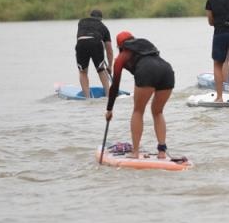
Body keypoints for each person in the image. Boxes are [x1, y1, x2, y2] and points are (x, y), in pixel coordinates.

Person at [104, 31, 178, 161]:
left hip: (146, 70)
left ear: (120, 46)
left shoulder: (121, 57)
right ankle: (162, 152)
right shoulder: (145, 46)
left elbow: (115, 86)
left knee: (138, 111)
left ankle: (135, 152)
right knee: (158, 111)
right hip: (167, 70)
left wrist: (109, 109)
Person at [73, 8, 114, 98]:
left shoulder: (81, 22)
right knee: (101, 69)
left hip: (81, 43)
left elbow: (81, 36)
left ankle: (87, 98)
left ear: (90, 16)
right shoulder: (104, 27)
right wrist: (110, 66)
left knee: (83, 71)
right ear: (101, 19)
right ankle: (108, 96)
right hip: (96, 43)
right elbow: (109, 50)